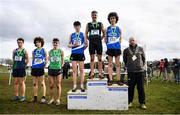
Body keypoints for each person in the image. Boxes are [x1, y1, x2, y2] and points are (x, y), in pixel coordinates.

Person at [123, 37, 147, 109]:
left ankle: (142, 103)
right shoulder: (126, 50)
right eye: (130, 40)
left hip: (140, 72)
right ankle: (130, 102)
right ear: (129, 42)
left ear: (135, 41)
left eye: (133, 40)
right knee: (130, 88)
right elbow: (124, 60)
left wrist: (140, 66)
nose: (132, 41)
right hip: (131, 72)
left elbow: (143, 59)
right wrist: (129, 66)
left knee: (141, 88)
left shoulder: (140, 49)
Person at [85, 10, 105, 79]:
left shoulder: (100, 24)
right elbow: (86, 33)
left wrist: (100, 38)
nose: (94, 16)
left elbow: (104, 32)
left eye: (95, 15)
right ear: (91, 16)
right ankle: (92, 73)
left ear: (97, 16)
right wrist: (89, 39)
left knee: (99, 59)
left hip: (98, 42)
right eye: (93, 15)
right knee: (92, 58)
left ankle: (100, 73)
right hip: (92, 43)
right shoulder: (88, 24)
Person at [68, 21, 87, 92]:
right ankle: (74, 85)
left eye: (78, 26)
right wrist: (73, 45)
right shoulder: (71, 35)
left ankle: (82, 85)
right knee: (74, 71)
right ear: (74, 27)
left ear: (80, 26)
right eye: (75, 26)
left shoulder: (83, 34)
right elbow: (68, 45)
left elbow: (86, 44)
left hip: (81, 54)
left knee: (82, 70)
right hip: (74, 54)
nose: (77, 27)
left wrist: (82, 49)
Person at [105, 12, 123, 86]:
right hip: (110, 48)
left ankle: (118, 80)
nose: (112, 19)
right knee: (110, 65)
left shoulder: (118, 28)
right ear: (109, 19)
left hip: (117, 48)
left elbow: (120, 39)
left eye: (114, 18)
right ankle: (110, 80)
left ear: (116, 19)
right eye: (111, 18)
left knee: (118, 65)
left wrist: (117, 44)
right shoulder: (107, 29)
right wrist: (109, 44)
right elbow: (105, 39)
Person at [31, 37, 48, 103]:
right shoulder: (34, 51)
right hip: (34, 68)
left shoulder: (44, 50)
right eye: (36, 42)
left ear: (41, 43)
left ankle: (43, 97)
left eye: (39, 42)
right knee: (35, 83)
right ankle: (35, 97)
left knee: (42, 83)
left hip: (40, 68)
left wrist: (44, 65)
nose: (37, 43)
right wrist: (32, 66)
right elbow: (33, 59)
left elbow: (46, 59)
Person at [47, 38, 64, 105]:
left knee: (58, 85)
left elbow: (62, 59)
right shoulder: (50, 51)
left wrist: (62, 65)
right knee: (51, 85)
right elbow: (48, 59)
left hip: (58, 69)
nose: (55, 44)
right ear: (52, 44)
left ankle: (58, 99)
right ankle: (51, 99)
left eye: (56, 43)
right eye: (54, 43)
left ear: (58, 44)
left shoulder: (61, 51)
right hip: (51, 69)